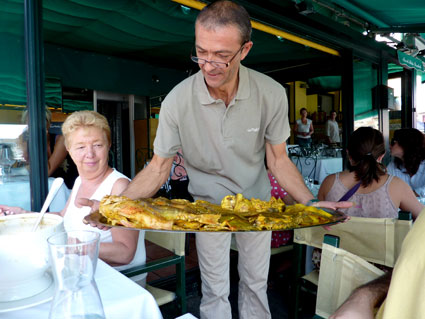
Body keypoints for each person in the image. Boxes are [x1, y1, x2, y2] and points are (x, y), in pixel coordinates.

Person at [82, 2, 350, 318]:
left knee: (254, 286)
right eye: (201, 53)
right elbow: (158, 167)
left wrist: (308, 201)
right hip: (207, 208)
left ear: (245, 49)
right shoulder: (177, 101)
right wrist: (116, 206)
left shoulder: (271, 93)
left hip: (257, 207)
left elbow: (278, 161)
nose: (209, 65)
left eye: (221, 56)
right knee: (214, 292)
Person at [0, 111, 146, 277]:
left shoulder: (120, 187)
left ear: (109, 145)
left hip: (116, 278)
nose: (89, 154)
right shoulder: (80, 181)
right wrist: (26, 215)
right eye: (81, 147)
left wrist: (75, 246)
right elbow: (64, 216)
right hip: (80, 269)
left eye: (98, 145)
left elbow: (125, 253)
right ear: (69, 149)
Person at [329, 206, 425, 319]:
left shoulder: (327, 187)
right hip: (374, 266)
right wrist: (364, 295)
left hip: (332, 264)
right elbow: (410, 269)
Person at [318, 127, 423, 219]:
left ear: (348, 153)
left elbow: (316, 221)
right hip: (382, 242)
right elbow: (422, 219)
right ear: (382, 156)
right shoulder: (397, 185)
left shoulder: (329, 182)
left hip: (336, 241)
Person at [21, 108, 78, 189]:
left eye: (39, 122)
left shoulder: (61, 139)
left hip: (67, 190)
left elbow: (46, 172)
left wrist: (38, 140)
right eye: (29, 124)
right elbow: (25, 165)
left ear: (48, 123)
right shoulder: (28, 141)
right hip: (47, 189)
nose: (34, 126)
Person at [387, 128, 425, 197]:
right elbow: (388, 188)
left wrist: (404, 197)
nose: (389, 146)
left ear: (406, 145)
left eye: (393, 142)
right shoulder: (393, 166)